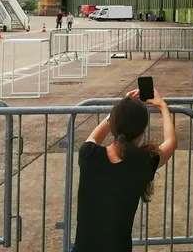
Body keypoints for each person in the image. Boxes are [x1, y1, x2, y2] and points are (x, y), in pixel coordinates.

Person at [71, 89, 177, 252]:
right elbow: (171, 141)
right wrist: (162, 106)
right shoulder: (142, 162)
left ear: (113, 124)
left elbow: (94, 137)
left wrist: (120, 108)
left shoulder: (89, 154)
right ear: (142, 131)